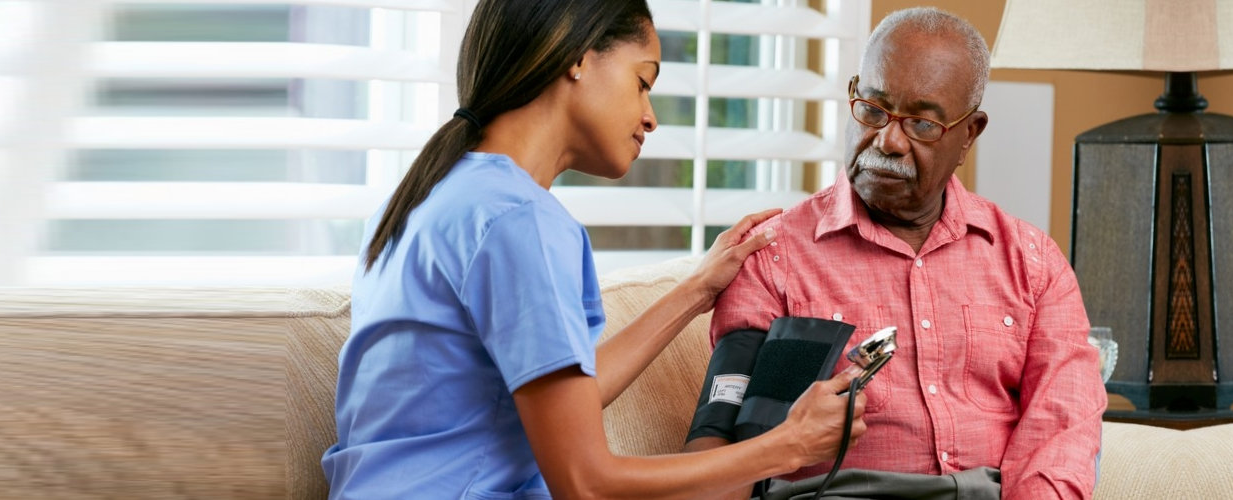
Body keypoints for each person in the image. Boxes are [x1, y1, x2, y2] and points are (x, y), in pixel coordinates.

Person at [321, 1, 865, 499]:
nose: (650, 115)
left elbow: (557, 403)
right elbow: (585, 482)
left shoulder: (430, 198)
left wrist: (699, 289)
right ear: (578, 59)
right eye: (642, 81)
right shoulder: (519, 222)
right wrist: (785, 446)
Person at [683, 8, 1105, 500]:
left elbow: (1063, 424)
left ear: (969, 134)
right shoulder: (771, 256)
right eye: (873, 109)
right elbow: (721, 443)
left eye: (922, 124)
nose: (888, 140)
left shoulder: (1032, 262)